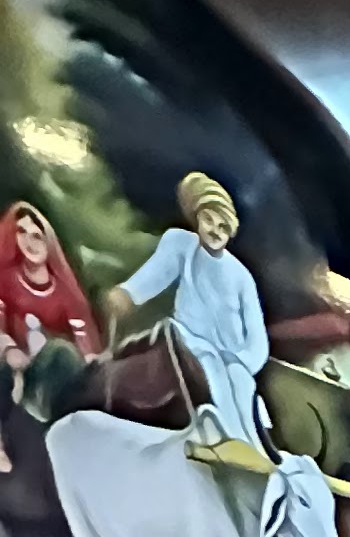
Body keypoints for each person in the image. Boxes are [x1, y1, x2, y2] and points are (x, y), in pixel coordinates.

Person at [112, 172, 274, 460]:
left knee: (237, 380)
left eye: (222, 226)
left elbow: (257, 340)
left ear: (230, 231)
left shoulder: (241, 276)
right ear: (198, 218)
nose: (215, 230)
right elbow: (156, 273)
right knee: (206, 366)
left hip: (233, 359)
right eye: (209, 220)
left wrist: (241, 361)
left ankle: (251, 451)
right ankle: (220, 437)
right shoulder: (183, 246)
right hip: (190, 344)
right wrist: (127, 294)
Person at [0, 200, 102, 475]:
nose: (30, 242)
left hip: (48, 376)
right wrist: (8, 349)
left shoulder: (66, 292)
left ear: (48, 242)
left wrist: (92, 360)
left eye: (37, 235)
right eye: (22, 233)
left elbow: (85, 338)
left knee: (62, 352)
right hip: (12, 371)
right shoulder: (5, 279)